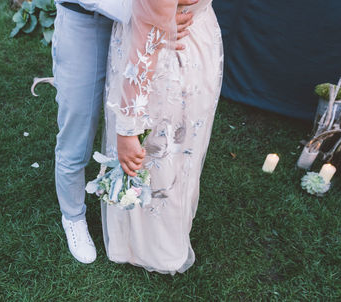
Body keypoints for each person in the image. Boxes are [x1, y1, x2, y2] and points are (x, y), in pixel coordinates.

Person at [49, 0, 198, 264]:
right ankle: (72, 214)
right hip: (86, 21)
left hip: (141, 22)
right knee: (79, 124)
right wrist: (153, 16)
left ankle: (133, 211)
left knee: (143, 118)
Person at [101, 0, 223, 274]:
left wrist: (127, 130)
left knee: (156, 150)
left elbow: (146, 47)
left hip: (165, 59)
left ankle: (151, 247)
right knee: (177, 151)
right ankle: (161, 239)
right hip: (197, 41)